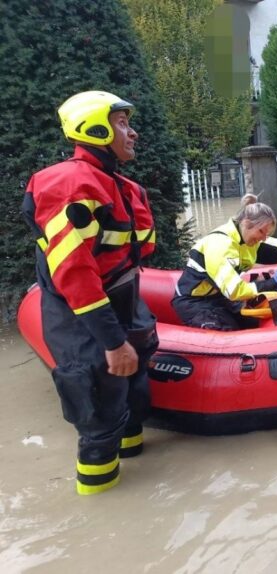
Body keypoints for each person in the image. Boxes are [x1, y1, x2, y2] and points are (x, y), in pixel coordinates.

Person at [21, 90, 159, 495]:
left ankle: (136, 466)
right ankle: (104, 506)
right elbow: (75, 274)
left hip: (125, 302)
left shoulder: (123, 186)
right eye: (121, 123)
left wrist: (129, 331)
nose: (132, 133)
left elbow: (131, 256)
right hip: (85, 317)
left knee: (133, 397)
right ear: (94, 128)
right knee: (99, 413)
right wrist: (113, 341)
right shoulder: (70, 185)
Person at [172, 194, 277, 330]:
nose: (264, 238)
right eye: (261, 232)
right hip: (193, 302)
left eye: (267, 234)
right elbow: (234, 290)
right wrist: (272, 283)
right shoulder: (219, 245)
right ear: (246, 223)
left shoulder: (250, 241)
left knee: (252, 322)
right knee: (227, 331)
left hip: (218, 297)